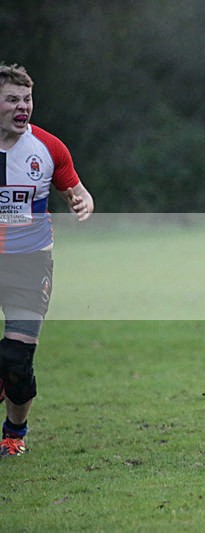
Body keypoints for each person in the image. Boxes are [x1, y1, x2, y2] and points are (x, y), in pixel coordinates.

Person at [0, 64, 94, 457]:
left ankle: (13, 435)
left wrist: (81, 200)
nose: (23, 108)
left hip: (29, 264)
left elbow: (77, 190)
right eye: (12, 100)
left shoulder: (48, 148)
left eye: (27, 100)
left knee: (17, 363)